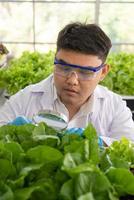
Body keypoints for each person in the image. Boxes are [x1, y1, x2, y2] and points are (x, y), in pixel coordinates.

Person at [0, 22, 134, 145]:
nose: (72, 80)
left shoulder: (115, 107)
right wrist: (9, 132)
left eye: (85, 72)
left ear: (103, 72)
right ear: (54, 61)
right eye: (64, 68)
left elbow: (129, 147)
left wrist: (99, 143)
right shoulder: (23, 100)